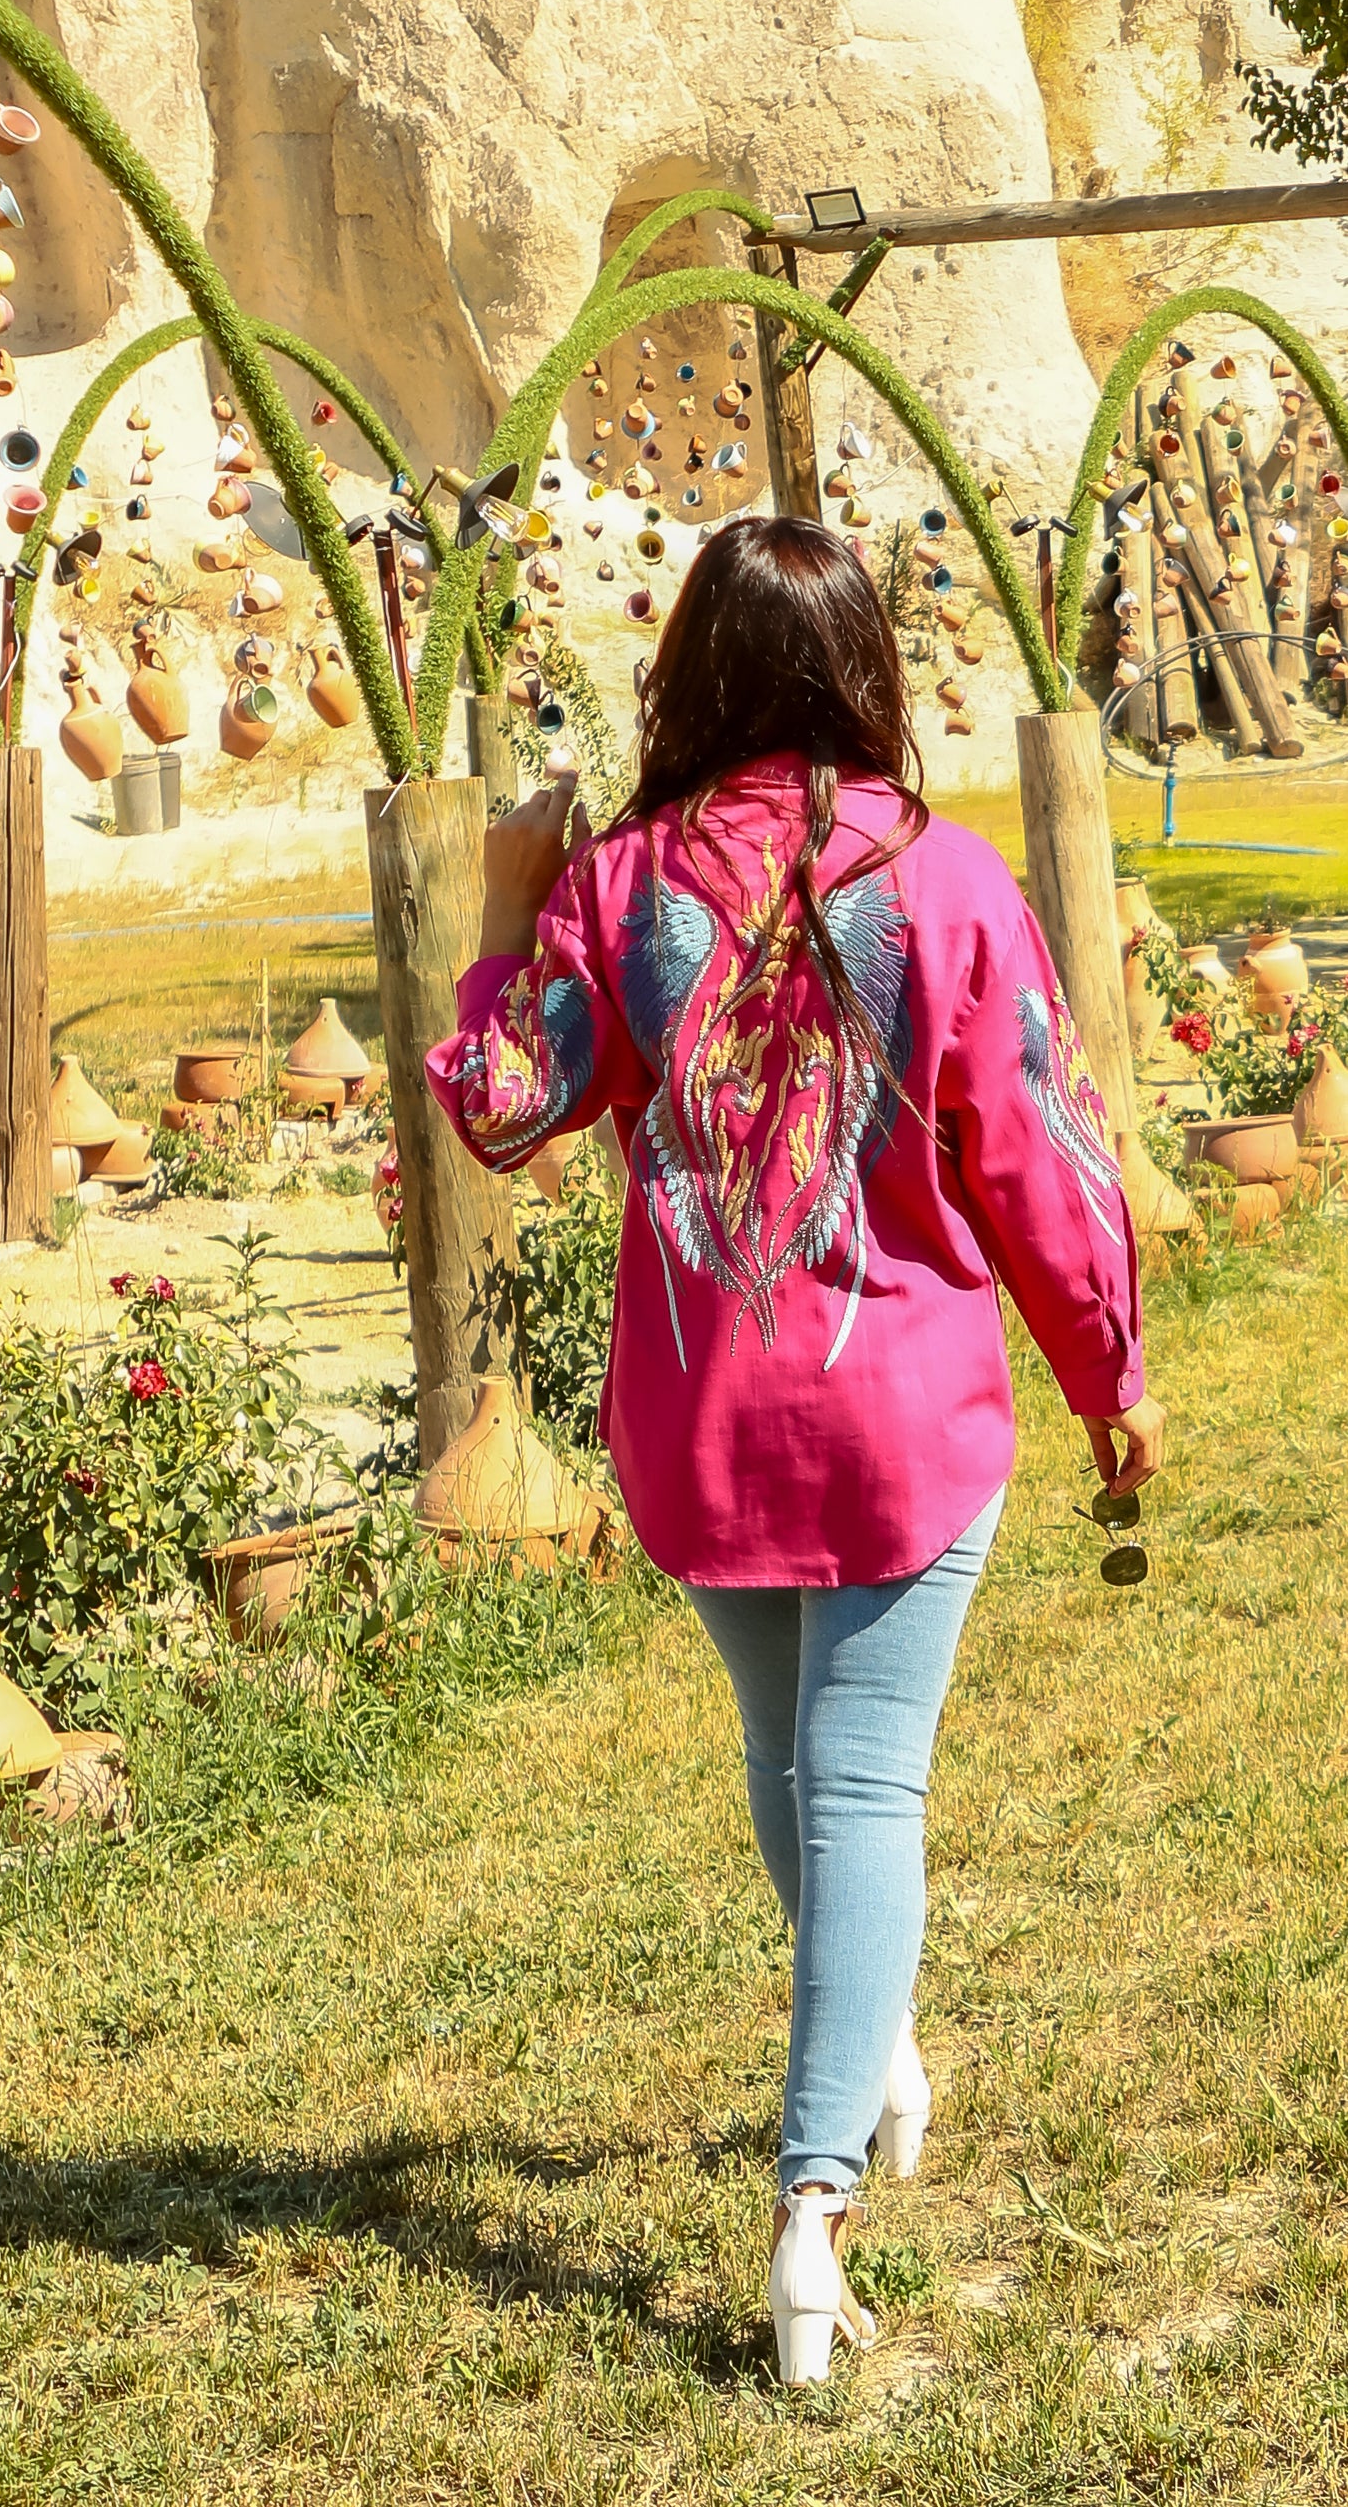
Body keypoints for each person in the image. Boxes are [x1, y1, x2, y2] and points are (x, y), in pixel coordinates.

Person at [425, 516, 1165, 2383]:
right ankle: (810, 2211)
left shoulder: (617, 883)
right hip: (905, 1416)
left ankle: (868, 2040)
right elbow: (1034, 1157)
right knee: (862, 1794)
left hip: (701, 1424)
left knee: (794, 1758)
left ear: (689, 672)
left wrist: (513, 909)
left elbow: (506, 1107)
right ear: (858, 671)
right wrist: (1107, 1370)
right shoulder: (950, 879)